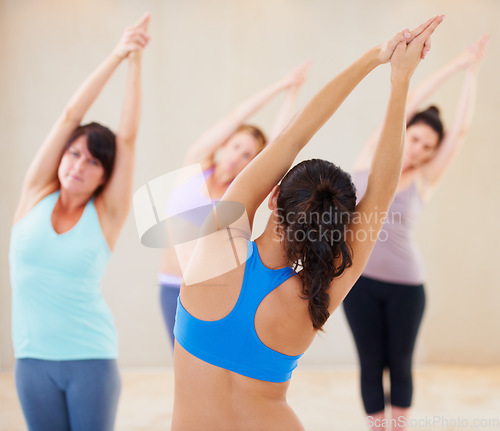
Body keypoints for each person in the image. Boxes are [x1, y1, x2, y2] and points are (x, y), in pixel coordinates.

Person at [167, 15, 444, 431]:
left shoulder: (216, 245)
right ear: (337, 232)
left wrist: (376, 59)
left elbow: (293, 137)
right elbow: (383, 192)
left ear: (274, 196)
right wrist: (400, 83)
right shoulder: (315, 297)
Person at [9, 13, 151, 431]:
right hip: (32, 360)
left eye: (93, 162)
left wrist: (137, 62)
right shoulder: (34, 193)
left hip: (91, 358)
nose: (78, 165)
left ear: (105, 176)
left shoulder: (105, 215)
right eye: (74, 154)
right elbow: (71, 114)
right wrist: (117, 53)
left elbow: (127, 138)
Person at [343, 33, 488, 431]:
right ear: (406, 132)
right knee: (370, 362)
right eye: (417, 139)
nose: (419, 150)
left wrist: (472, 73)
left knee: (400, 364)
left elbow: (457, 133)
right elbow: (406, 100)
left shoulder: (425, 179)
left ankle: (400, 428)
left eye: (428, 147)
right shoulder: (371, 156)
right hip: (357, 282)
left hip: (406, 287)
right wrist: (453, 66)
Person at [159, 61, 310, 348]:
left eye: (248, 155)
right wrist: (281, 85)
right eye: (236, 146)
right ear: (223, 144)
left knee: (206, 365)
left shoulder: (241, 193)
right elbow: (236, 115)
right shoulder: (194, 165)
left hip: (210, 288)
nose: (237, 156)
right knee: (180, 365)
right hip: (169, 283)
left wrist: (292, 96)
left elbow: (280, 145)